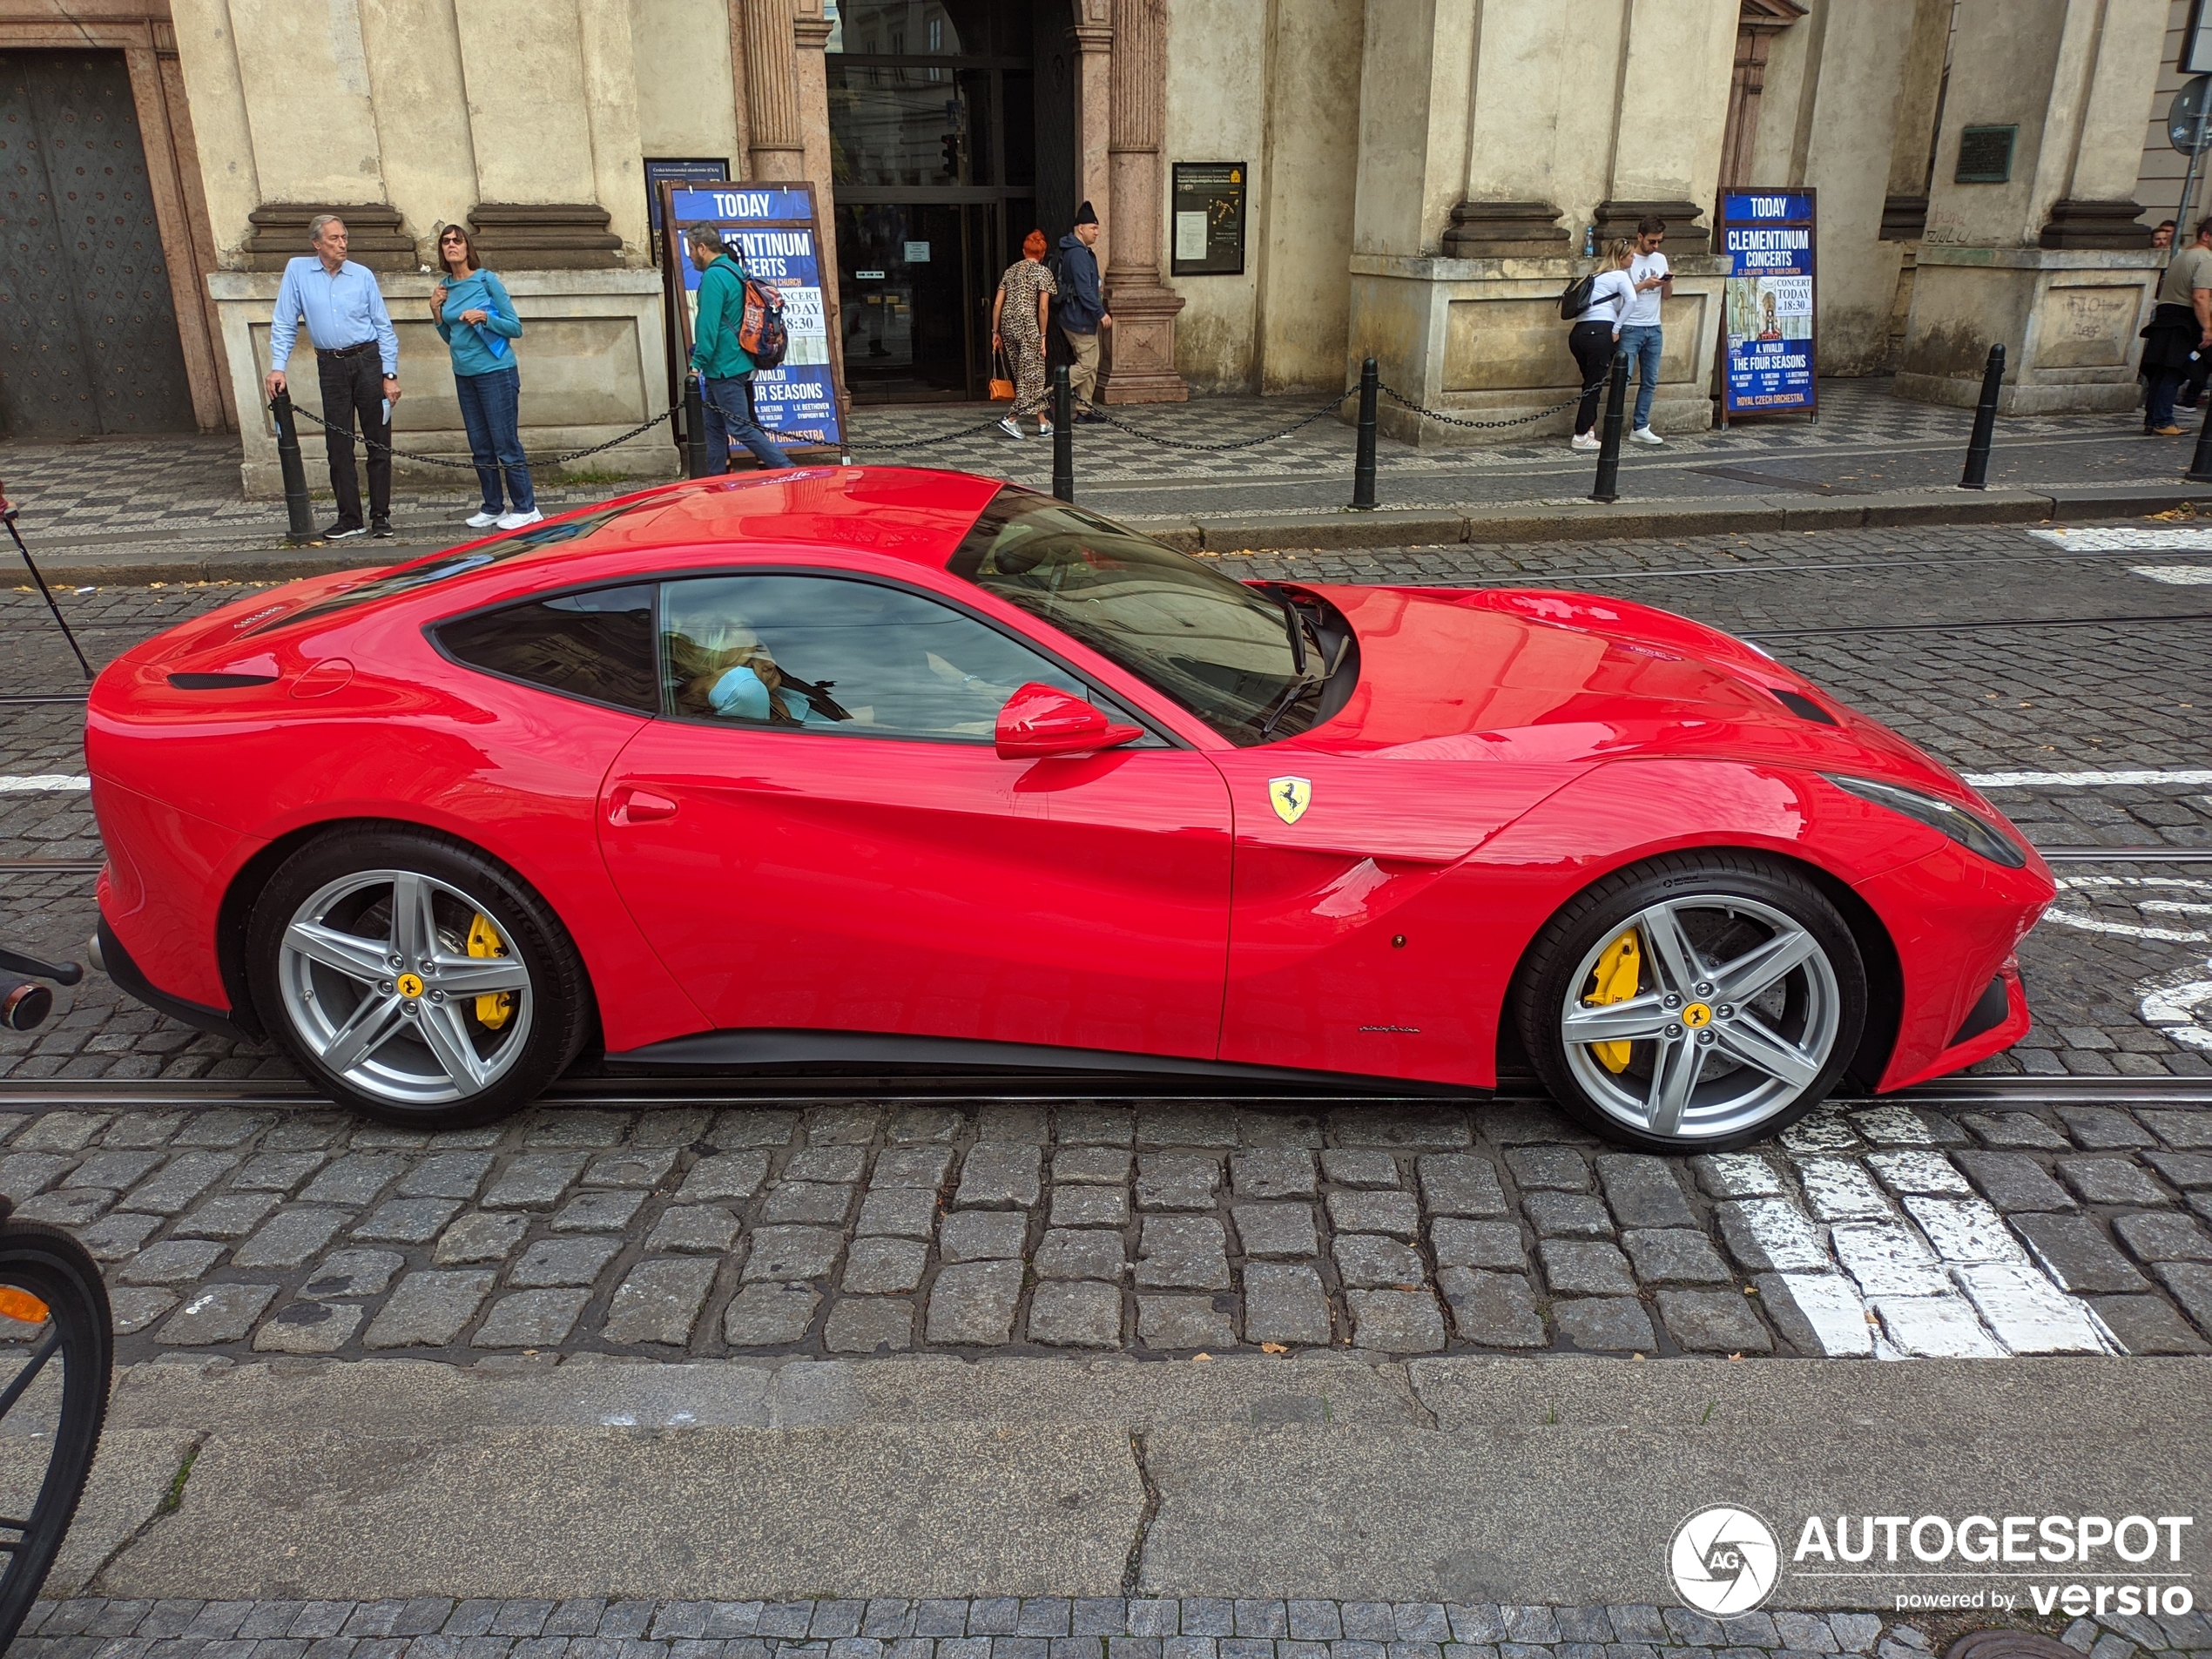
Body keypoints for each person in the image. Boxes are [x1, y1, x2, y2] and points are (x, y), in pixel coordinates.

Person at [265, 214, 401, 541]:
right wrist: (277, 366)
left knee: (377, 441)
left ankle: (381, 516)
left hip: (368, 360)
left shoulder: (362, 275)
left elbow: (384, 327)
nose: (342, 244)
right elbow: (284, 321)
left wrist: (390, 373)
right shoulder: (298, 271)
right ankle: (349, 517)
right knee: (338, 444)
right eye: (334, 239)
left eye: (344, 238)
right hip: (331, 365)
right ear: (317, 243)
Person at [428, 224, 537, 531]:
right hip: (465, 373)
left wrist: (485, 317)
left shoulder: (487, 280)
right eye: (446, 242)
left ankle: (527, 507)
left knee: (505, 443)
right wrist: (436, 311)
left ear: (467, 247)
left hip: (496, 372)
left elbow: (515, 327)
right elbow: (452, 338)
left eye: (457, 241)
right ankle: (493, 506)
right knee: (480, 445)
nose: (451, 245)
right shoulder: (445, 288)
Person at [685, 226, 793, 473]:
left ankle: (788, 470)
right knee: (713, 426)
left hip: (725, 365)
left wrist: (696, 364)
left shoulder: (713, 276)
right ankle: (713, 478)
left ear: (703, 248)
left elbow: (708, 327)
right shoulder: (733, 269)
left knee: (740, 427)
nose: (690, 256)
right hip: (733, 362)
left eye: (691, 249)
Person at [2141, 216, 2212, 436]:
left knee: (2162, 372)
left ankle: (2154, 419)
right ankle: (2162, 420)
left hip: (2167, 316)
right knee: (2174, 371)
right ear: (2206, 236)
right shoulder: (2206, 259)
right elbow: (2200, 297)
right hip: (2184, 321)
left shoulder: (2183, 256)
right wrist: (2208, 328)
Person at [1566, 240, 1636, 452]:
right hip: (1600, 333)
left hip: (1578, 334)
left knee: (1590, 383)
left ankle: (1588, 429)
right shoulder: (1620, 275)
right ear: (1622, 258)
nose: (1634, 259)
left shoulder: (1596, 275)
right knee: (1593, 386)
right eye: (1631, 256)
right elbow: (1632, 300)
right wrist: (1617, 328)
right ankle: (1580, 436)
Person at [991, 230, 1058, 440]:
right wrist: (1043, 335)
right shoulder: (1043, 272)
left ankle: (1043, 423)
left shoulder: (1010, 271)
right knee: (1034, 374)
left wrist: (995, 331)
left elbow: (997, 303)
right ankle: (1011, 419)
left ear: (1024, 250)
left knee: (1025, 376)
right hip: (1028, 326)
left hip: (1008, 325)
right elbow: (1044, 308)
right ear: (1043, 253)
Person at [1055, 201, 1111, 421]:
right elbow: (1084, 290)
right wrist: (1101, 313)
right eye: (1093, 228)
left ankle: (1084, 410)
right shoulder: (1077, 254)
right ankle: (1049, 396)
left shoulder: (1081, 252)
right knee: (1087, 364)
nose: (1097, 233)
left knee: (1091, 364)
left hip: (1082, 317)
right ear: (1080, 228)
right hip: (1079, 319)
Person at [1620, 214, 1672, 445]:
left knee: (1650, 380)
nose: (1656, 246)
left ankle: (1640, 426)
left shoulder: (1660, 259)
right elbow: (1620, 294)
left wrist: (1667, 281)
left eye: (1659, 241)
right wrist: (1644, 285)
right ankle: (1614, 422)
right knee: (1624, 378)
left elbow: (1667, 296)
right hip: (1632, 326)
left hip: (1654, 326)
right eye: (1652, 241)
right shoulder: (1629, 259)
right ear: (1640, 237)